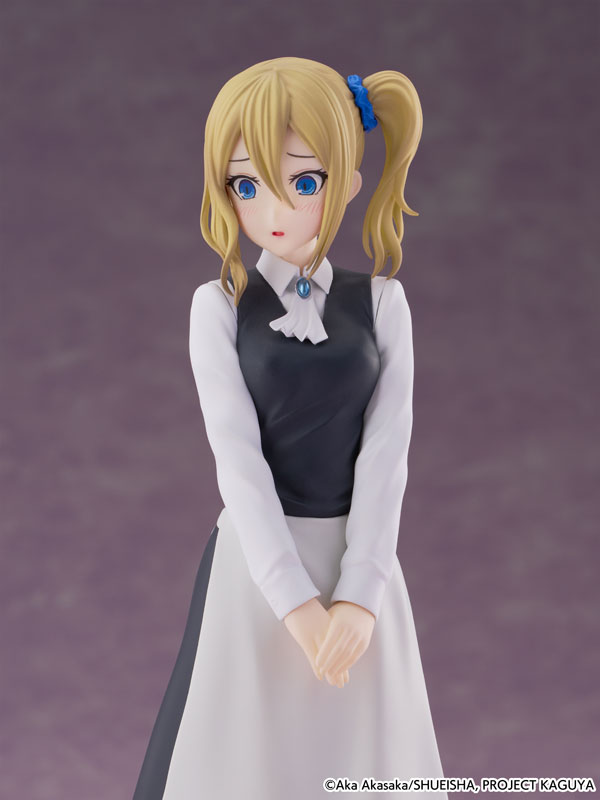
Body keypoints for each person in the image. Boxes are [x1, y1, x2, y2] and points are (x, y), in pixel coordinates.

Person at [133, 57, 447, 800]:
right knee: (244, 757)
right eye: (247, 185)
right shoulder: (218, 305)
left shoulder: (382, 304)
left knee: (365, 749)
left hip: (358, 563)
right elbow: (237, 460)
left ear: (347, 182)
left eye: (303, 181)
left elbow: (387, 456)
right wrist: (296, 605)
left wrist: (360, 594)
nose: (274, 206)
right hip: (257, 567)